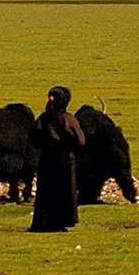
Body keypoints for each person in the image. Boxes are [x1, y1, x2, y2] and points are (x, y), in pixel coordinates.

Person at [29, 85, 86, 232]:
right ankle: (59, 222)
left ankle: (43, 221)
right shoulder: (67, 119)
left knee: (45, 190)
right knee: (64, 190)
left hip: (46, 159)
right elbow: (80, 140)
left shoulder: (43, 119)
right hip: (64, 159)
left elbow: (34, 138)